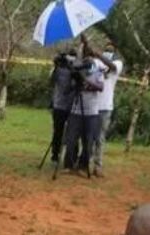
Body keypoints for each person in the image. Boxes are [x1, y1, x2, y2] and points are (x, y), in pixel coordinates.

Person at [62, 38, 109, 174]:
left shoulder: (98, 70)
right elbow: (68, 89)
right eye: (85, 56)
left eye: (89, 57)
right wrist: (75, 80)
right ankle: (69, 165)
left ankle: (83, 166)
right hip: (75, 110)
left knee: (88, 141)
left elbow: (100, 87)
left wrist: (86, 81)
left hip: (91, 112)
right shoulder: (78, 68)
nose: (87, 60)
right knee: (71, 139)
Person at [94, 42, 124, 177]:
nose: (108, 51)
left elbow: (111, 66)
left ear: (114, 52)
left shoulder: (117, 64)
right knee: (89, 136)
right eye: (106, 49)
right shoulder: (97, 62)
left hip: (105, 106)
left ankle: (97, 166)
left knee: (100, 137)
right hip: (92, 104)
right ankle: (84, 163)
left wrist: (99, 55)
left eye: (110, 50)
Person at [48, 48, 78, 165]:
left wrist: (73, 69)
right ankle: (55, 155)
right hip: (59, 105)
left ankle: (71, 158)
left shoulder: (76, 69)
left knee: (73, 133)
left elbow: (77, 83)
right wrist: (56, 65)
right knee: (57, 132)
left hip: (73, 106)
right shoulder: (58, 70)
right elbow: (51, 81)